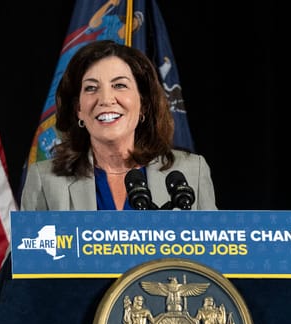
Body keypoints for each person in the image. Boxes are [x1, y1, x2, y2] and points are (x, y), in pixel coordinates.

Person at [20, 40, 217, 211]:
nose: (106, 99)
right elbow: (21, 253)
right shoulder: (45, 179)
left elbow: (218, 250)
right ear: (78, 109)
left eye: (119, 85)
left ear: (144, 105)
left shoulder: (191, 171)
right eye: (91, 88)